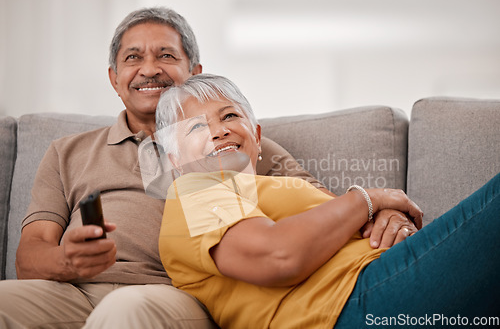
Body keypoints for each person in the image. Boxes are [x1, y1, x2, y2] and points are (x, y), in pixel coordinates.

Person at [0, 7, 418, 328]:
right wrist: (68, 263)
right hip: (70, 289)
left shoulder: (239, 145)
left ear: (194, 72)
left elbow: (325, 208)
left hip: (167, 294)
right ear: (114, 77)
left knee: (125, 311)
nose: (149, 69)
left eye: (166, 55)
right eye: (133, 58)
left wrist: (383, 209)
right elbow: (29, 255)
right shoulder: (66, 152)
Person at [157, 74, 500, 329]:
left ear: (257, 136)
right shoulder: (194, 193)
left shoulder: (280, 188)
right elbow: (278, 255)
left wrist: (391, 219)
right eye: (196, 128)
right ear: (174, 159)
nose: (219, 131)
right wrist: (371, 198)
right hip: (346, 305)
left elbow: (345, 229)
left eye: (229, 116)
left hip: (384, 278)